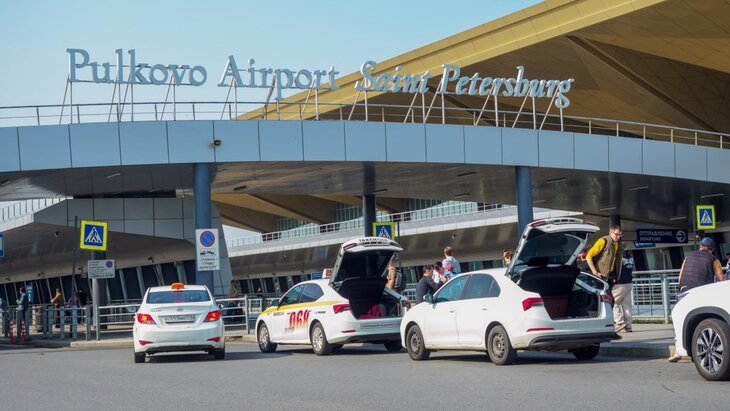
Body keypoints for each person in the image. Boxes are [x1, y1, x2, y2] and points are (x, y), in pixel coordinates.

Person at [668, 237, 725, 362]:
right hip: (700, 293)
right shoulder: (713, 259)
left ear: (700, 246)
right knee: (703, 320)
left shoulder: (688, 257)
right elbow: (721, 278)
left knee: (681, 321)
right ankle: (702, 348)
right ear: (712, 249)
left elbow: (680, 276)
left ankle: (677, 351)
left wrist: (681, 288)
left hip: (685, 291)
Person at [612, 251, 634, 332]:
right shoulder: (630, 257)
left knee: (614, 302)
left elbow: (615, 269)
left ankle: (619, 323)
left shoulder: (618, 257)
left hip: (620, 283)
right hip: (629, 282)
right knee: (627, 305)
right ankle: (628, 325)